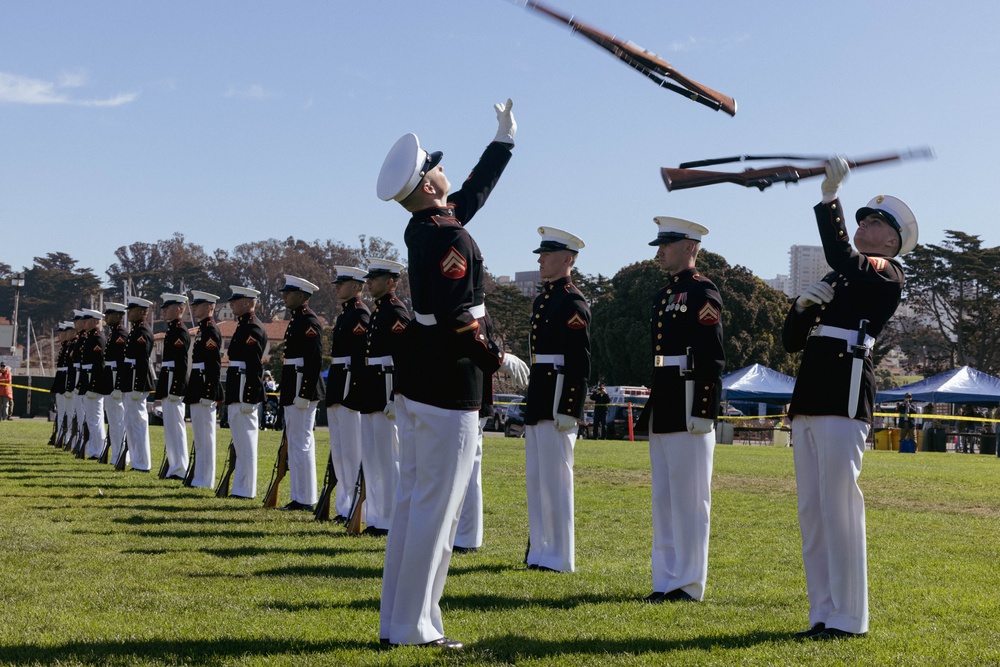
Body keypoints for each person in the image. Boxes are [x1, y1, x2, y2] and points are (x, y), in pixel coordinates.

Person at [376, 98, 521, 649]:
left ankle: (399, 621)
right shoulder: (449, 237)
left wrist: (503, 142)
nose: (443, 170)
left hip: (421, 381)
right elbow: (464, 322)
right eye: (437, 166)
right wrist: (498, 360)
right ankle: (416, 628)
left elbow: (473, 194)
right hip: (449, 383)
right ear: (430, 186)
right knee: (436, 513)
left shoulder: (427, 227)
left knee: (415, 506)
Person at [783, 158, 917, 639]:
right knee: (812, 511)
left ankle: (849, 617)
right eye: (861, 219)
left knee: (839, 506)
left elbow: (843, 256)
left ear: (892, 242)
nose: (865, 226)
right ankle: (822, 611)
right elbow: (792, 342)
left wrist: (828, 199)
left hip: (844, 391)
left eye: (875, 222)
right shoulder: (843, 277)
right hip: (812, 392)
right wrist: (800, 309)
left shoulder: (885, 272)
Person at [642, 216, 725, 603]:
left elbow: (711, 355)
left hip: (690, 396)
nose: (659, 252)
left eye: (667, 245)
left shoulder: (702, 291)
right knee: (665, 497)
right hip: (665, 396)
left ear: (690, 247)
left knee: (690, 499)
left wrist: (704, 409)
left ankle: (689, 583)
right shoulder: (664, 293)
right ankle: (665, 579)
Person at [523, 227, 590, 573]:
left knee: (556, 480)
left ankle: (560, 555)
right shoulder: (545, 299)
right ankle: (540, 551)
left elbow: (579, 361)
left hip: (557, 396)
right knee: (537, 478)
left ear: (567, 259)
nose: (540, 260)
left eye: (546, 255)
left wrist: (570, 408)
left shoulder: (572, 301)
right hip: (540, 394)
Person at [358, 258, 411, 536]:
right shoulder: (380, 311)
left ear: (390, 281)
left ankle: (390, 519)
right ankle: (376, 517)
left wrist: (396, 395)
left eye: (375, 278)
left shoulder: (396, 312)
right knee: (373, 456)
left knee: (389, 458)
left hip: (386, 389)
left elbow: (405, 357)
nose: (370, 282)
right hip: (372, 387)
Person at [325, 266, 370, 524]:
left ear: (355, 287)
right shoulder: (345, 315)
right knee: (340, 452)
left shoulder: (359, 314)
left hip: (350, 386)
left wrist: (356, 390)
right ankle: (344, 507)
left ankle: (354, 507)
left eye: (341, 284)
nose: (336, 288)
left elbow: (361, 356)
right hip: (339, 382)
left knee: (352, 451)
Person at [277, 275, 325, 511]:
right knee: (295, 442)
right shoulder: (297, 319)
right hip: (292, 383)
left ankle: (305, 498)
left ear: (302, 296)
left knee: (302, 442)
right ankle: (299, 495)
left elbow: (314, 361)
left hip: (301, 386)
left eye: (289, 293)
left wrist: (305, 392)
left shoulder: (308, 321)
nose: (284, 296)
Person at [225, 285, 267, 499]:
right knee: (240, 440)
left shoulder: (252, 328)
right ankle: (240, 487)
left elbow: (254, 365)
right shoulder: (243, 326)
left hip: (244, 387)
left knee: (246, 441)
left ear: (248, 302)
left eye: (237, 300)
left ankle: (246, 489)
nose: (232, 303)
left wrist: (250, 396)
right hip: (237, 385)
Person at [184, 291, 224, 488]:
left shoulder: (210, 331)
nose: (194, 308)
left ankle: (206, 479)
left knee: (206, 437)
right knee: (199, 435)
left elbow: (214, 365)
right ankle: (199, 476)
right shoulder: (202, 330)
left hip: (204, 385)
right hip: (197, 383)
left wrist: (210, 392)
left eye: (198, 305)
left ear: (209, 307)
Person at [117, 296, 156, 472]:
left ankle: (143, 463)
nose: (128, 313)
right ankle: (137, 461)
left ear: (141, 312)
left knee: (138, 422)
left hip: (136, 382)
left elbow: (142, 361)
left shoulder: (142, 332)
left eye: (131, 310)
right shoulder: (136, 330)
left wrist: (138, 387)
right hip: (130, 381)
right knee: (131, 422)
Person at [155, 293, 191, 480]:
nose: (164, 311)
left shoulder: (180, 332)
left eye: (167, 308)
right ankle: (174, 466)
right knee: (170, 428)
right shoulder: (171, 331)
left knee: (177, 428)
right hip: (168, 382)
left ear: (178, 309)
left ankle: (180, 468)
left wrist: (176, 389)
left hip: (174, 384)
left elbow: (181, 363)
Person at [99, 303, 129, 466]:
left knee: (118, 420)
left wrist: (118, 386)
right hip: (110, 378)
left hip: (115, 380)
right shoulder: (113, 334)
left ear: (118, 316)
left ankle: (120, 453)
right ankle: (116, 453)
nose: (106, 318)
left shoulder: (120, 334)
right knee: (113, 420)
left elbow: (121, 362)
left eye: (109, 315)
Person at [78, 308, 107, 459]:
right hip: (87, 380)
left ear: (96, 322)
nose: (84, 323)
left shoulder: (97, 338)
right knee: (91, 418)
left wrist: (94, 386)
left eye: (87, 320)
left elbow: (99, 365)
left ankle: (98, 450)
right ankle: (95, 449)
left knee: (96, 418)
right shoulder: (90, 337)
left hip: (93, 382)